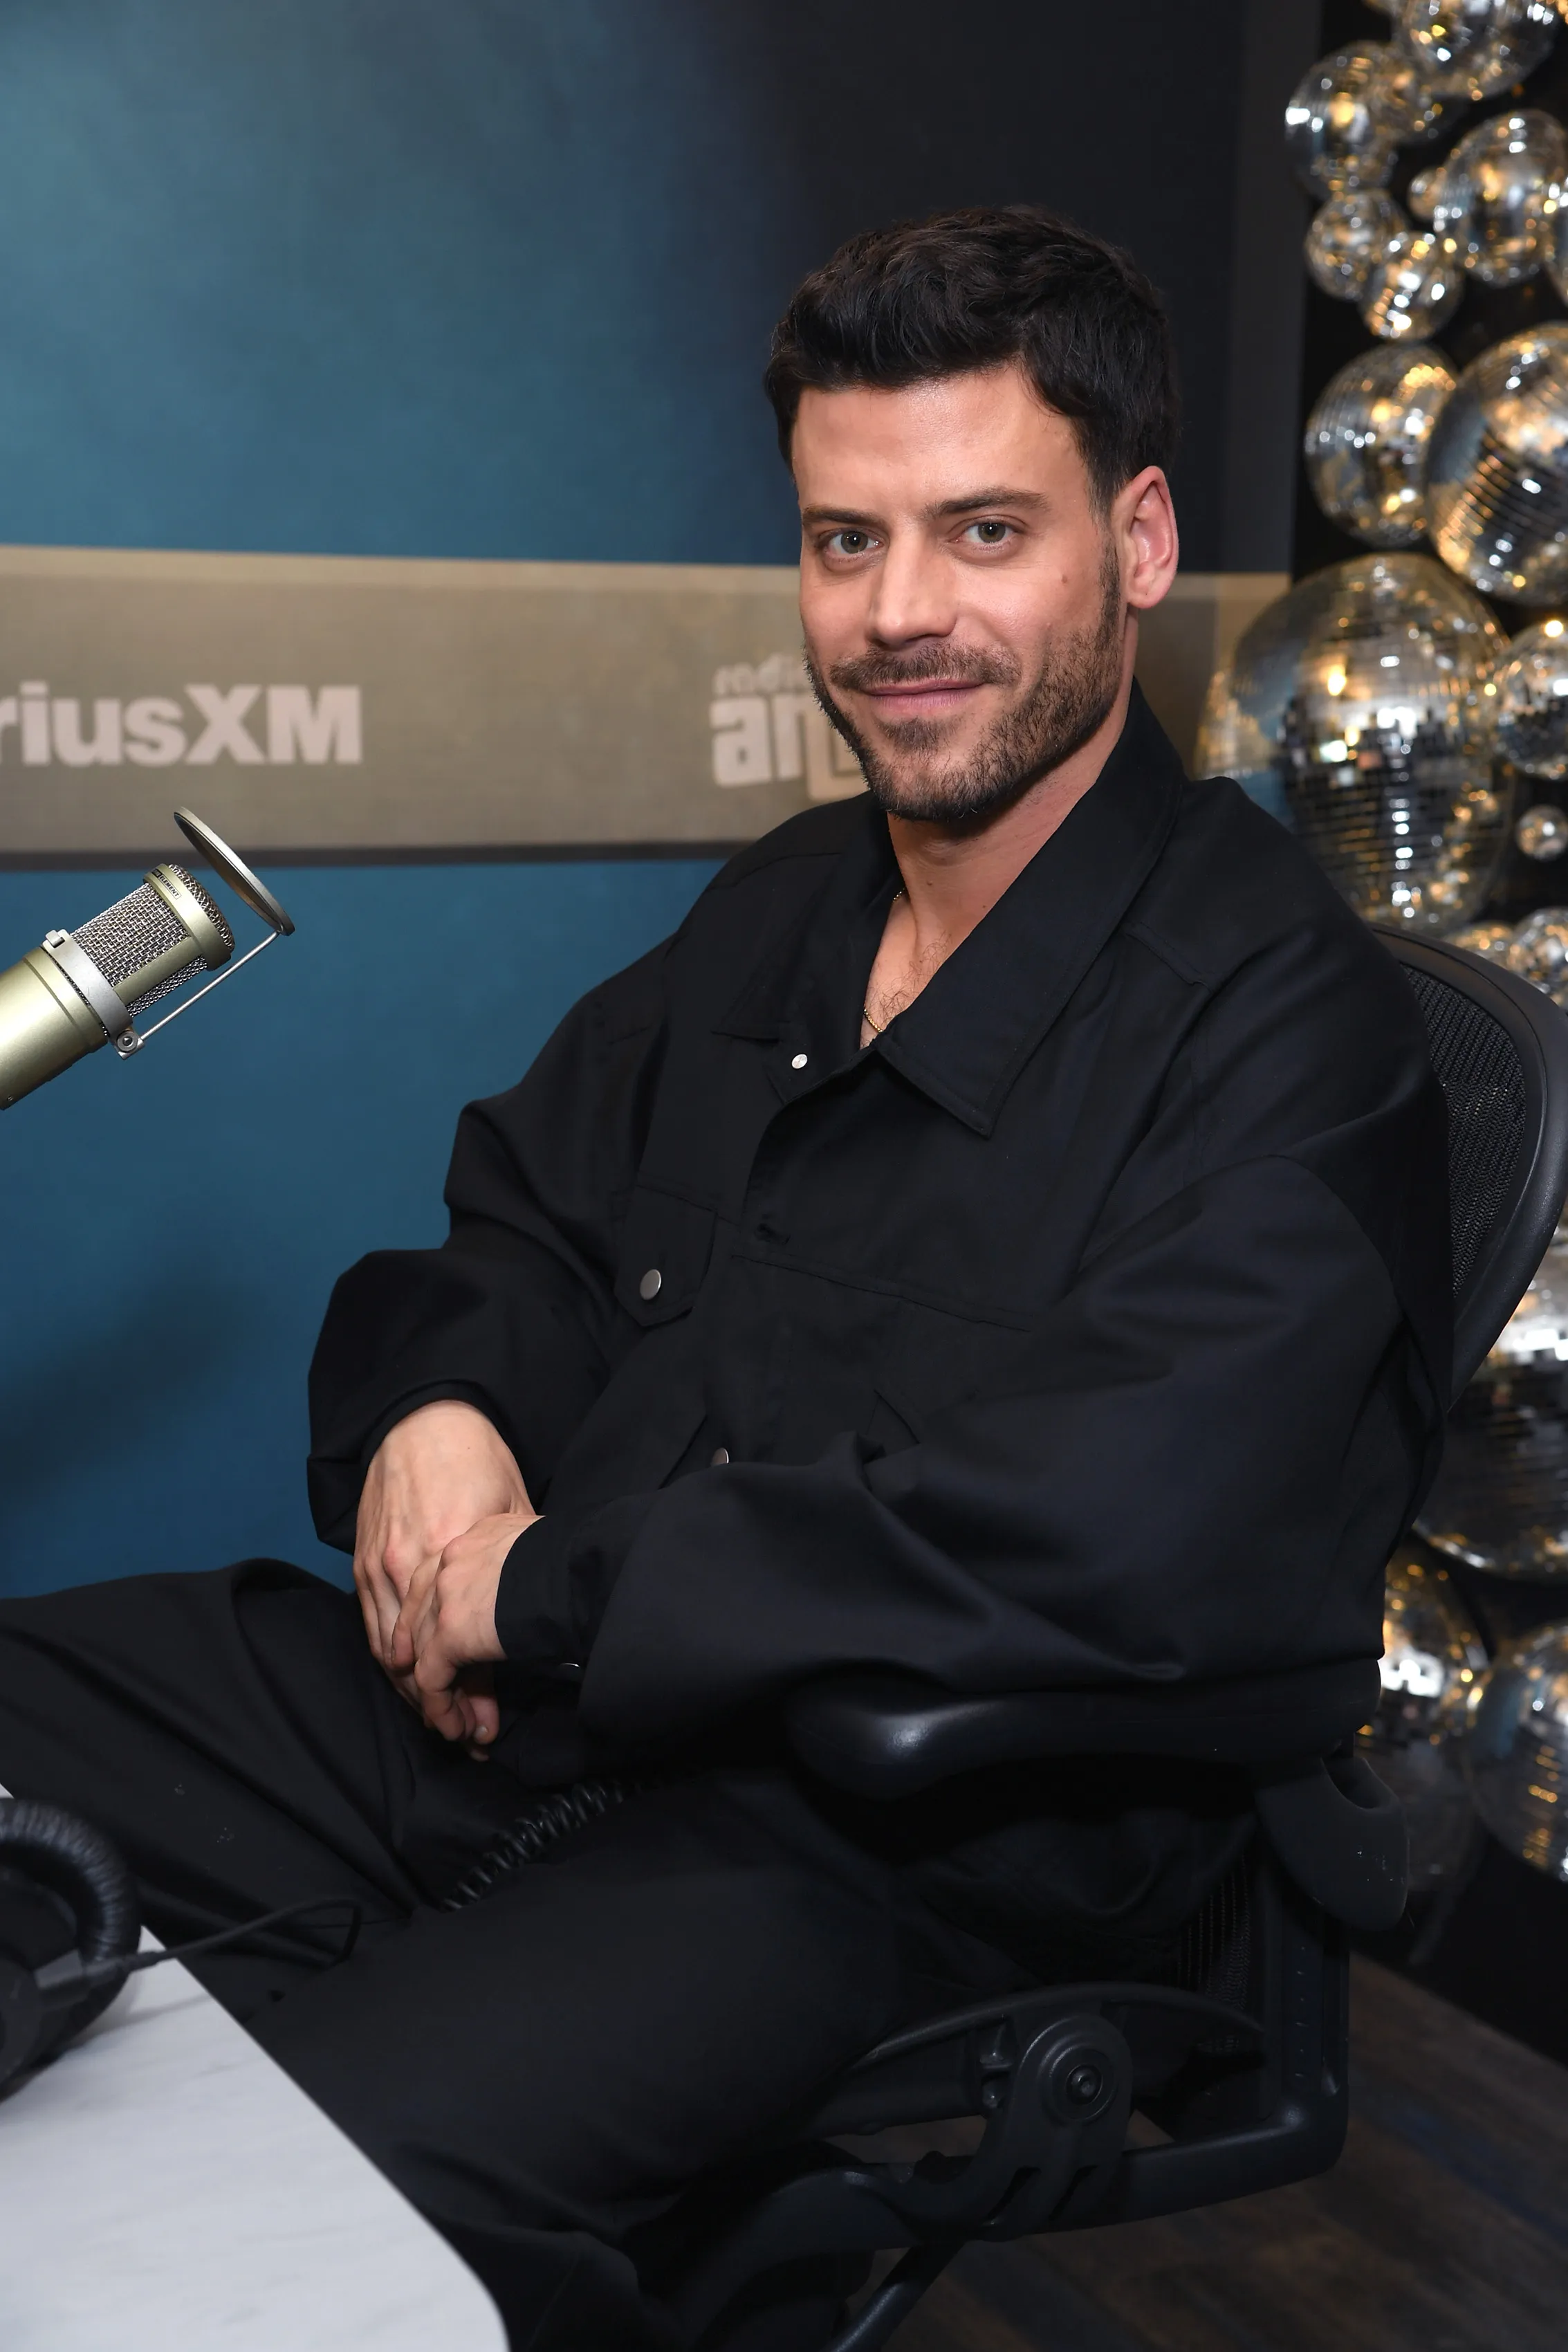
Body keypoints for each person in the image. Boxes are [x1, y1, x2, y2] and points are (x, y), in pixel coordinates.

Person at [0, 205, 1449, 2350]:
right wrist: (441, 1416)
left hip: (882, 1843)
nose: (899, 612)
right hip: (517, 1728)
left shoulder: (1285, 1026)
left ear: (1138, 544)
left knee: (271, 2224)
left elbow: (1110, 1538)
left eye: (981, 532)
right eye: (845, 541)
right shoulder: (791, 904)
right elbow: (524, 1216)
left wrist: (545, 1591)